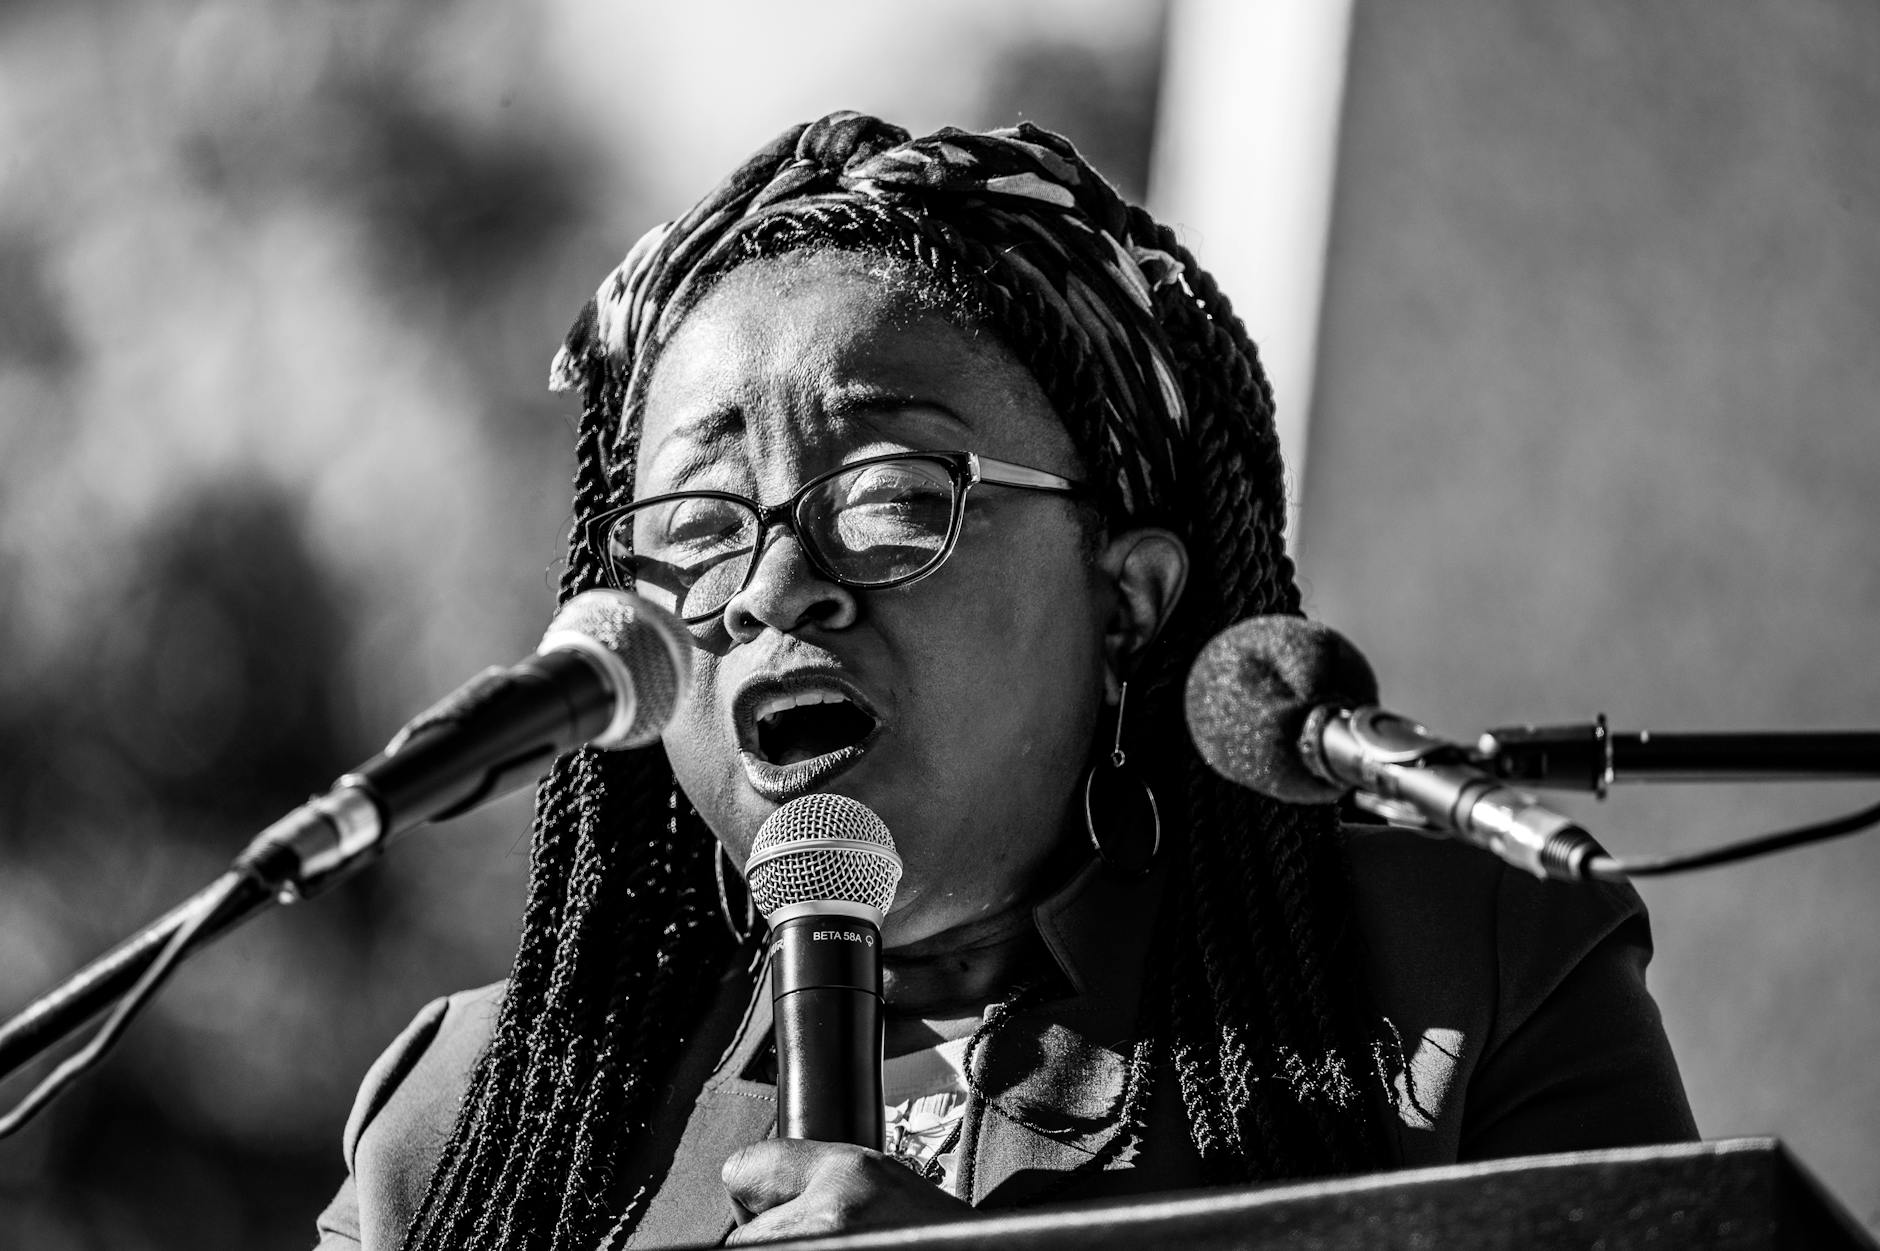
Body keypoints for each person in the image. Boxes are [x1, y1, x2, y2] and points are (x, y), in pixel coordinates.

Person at [312, 112, 1696, 1250]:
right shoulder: (469, 1123)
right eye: (692, 530)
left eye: (896, 497)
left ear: (1128, 598)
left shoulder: (1463, 971)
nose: (776, 586)